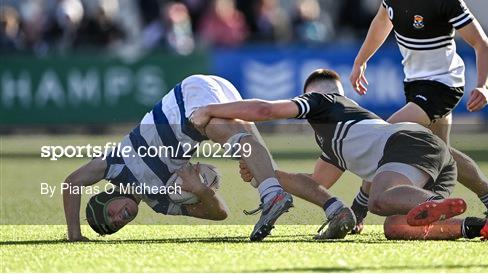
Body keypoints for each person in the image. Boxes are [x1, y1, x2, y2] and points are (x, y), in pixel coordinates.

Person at [191, 69, 488, 242]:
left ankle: (427, 201)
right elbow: (315, 183)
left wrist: (210, 109)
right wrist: (264, 173)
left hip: (408, 148)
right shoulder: (338, 139)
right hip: (424, 164)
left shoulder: (323, 102)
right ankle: (482, 226)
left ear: (311, 94)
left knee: (380, 200)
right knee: (396, 228)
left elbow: (264, 109)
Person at [348, 0, 488, 228]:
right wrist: (361, 60)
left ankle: (355, 212)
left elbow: (482, 44)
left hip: (443, 86)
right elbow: (382, 23)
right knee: (441, 154)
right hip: (415, 84)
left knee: (385, 135)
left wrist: (484, 86)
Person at [63, 74, 351, 242]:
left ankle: (272, 195)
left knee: (210, 125)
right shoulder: (161, 203)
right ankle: (335, 209)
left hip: (189, 103)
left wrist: (74, 234)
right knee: (266, 172)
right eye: (116, 225)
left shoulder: (115, 166)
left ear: (106, 197)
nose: (120, 218)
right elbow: (219, 214)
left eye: (110, 214)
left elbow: (71, 183)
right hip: (207, 108)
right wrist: (201, 190)